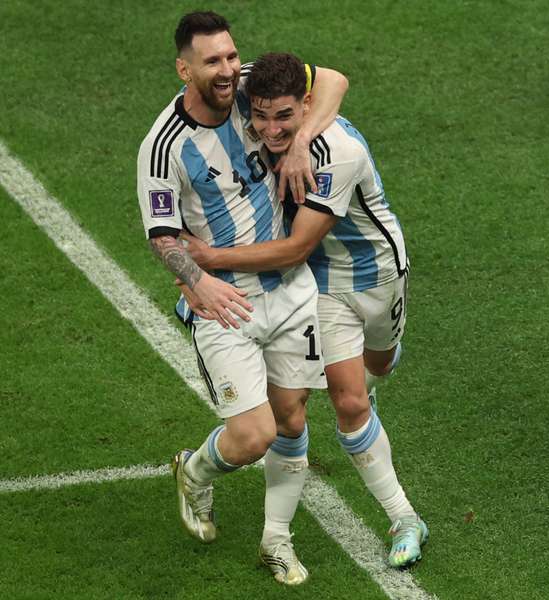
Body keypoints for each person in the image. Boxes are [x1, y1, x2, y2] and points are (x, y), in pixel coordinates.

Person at [183, 52, 428, 568]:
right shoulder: (254, 93)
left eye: (285, 118)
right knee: (346, 404)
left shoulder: (336, 151)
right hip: (319, 284)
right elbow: (329, 78)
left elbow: (295, 245)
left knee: (379, 365)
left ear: (307, 106)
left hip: (378, 273)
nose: (270, 130)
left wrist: (207, 262)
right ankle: (405, 518)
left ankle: (378, 359)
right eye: (263, 115)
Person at [136, 12, 348, 586]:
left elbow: (331, 79)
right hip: (227, 303)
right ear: (185, 68)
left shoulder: (251, 81)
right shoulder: (164, 147)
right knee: (254, 436)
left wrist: (301, 140)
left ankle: (277, 541)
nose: (229, 69)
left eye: (232, 56)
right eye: (213, 61)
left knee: (292, 418)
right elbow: (161, 233)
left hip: (292, 289)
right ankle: (197, 472)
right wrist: (197, 281)